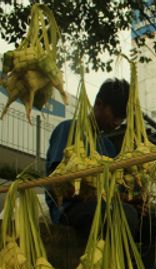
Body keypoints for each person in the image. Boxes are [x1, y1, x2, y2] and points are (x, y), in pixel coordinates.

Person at [45, 78, 138, 239]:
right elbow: (55, 185)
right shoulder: (68, 129)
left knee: (149, 221)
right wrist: (89, 194)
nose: (117, 122)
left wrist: (131, 200)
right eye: (115, 114)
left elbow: (113, 191)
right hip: (70, 210)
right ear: (99, 104)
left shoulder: (108, 146)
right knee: (109, 213)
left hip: (105, 208)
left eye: (122, 118)